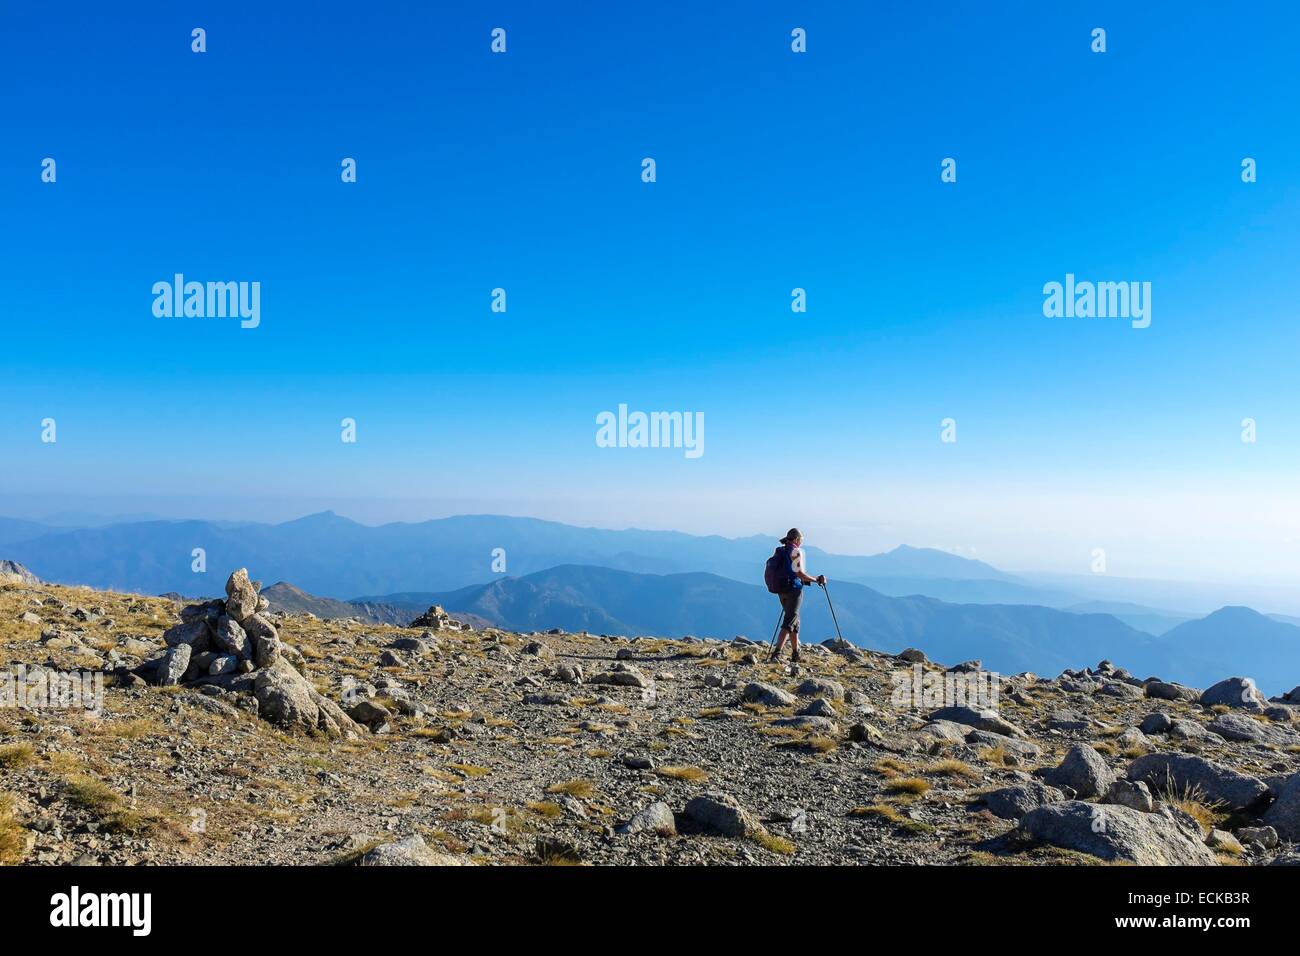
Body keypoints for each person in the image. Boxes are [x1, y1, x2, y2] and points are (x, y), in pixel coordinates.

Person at [769, 528, 825, 664]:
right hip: (793, 590)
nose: (801, 542)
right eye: (801, 540)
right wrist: (816, 579)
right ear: (796, 539)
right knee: (789, 622)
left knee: (794, 621)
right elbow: (799, 574)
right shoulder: (794, 551)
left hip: (781, 590)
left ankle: (796, 654)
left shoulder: (782, 551)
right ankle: (776, 654)